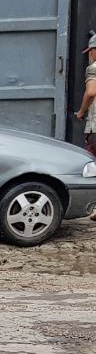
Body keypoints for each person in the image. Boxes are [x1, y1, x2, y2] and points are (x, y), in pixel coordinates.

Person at [74, 34, 96, 221]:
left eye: (91, 51)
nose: (90, 55)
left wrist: (81, 112)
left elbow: (90, 93)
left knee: (92, 165)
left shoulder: (93, 69)